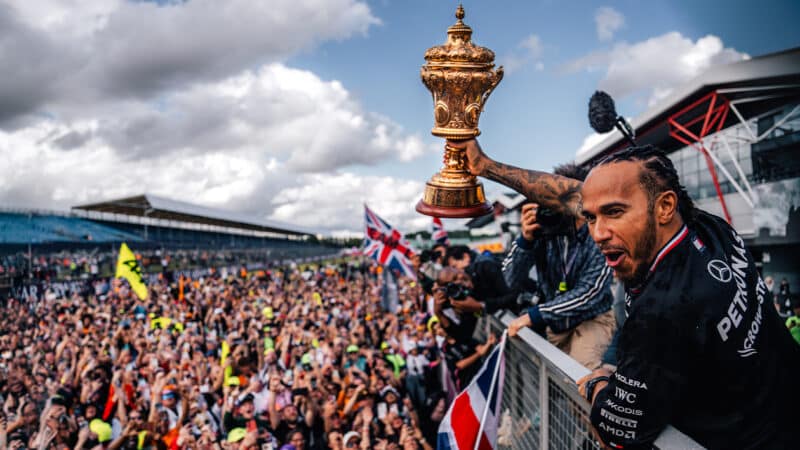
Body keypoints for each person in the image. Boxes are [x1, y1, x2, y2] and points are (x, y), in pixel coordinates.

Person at [453, 138, 800, 449]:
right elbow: (567, 194)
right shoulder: (707, 226)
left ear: (664, 206)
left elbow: (617, 430)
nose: (598, 233)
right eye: (590, 217)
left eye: (614, 212)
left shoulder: (661, 312)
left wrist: (598, 384)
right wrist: (485, 166)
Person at [503, 163, 615, 370]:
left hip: (591, 319)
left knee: (581, 374)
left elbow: (591, 292)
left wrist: (535, 315)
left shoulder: (598, 233)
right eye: (547, 199)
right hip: (556, 324)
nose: (551, 208)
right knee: (558, 382)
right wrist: (524, 241)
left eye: (558, 202)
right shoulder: (543, 230)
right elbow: (508, 282)